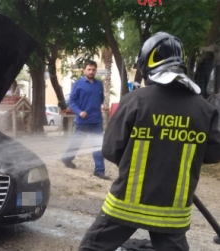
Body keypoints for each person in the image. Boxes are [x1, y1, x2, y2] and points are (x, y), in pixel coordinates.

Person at [78, 32, 220, 251]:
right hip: (172, 214)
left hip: (126, 206)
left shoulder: (135, 101)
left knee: (92, 247)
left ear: (147, 65)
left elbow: (110, 149)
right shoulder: (205, 110)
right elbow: (212, 153)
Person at [61, 60, 109, 180]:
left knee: (98, 146)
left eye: (93, 70)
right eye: (89, 69)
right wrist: (80, 112)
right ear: (84, 70)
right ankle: (67, 159)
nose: (91, 72)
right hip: (83, 122)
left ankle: (99, 170)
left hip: (97, 121)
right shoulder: (78, 84)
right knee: (76, 145)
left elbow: (101, 99)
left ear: (96, 70)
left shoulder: (99, 84)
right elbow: (71, 102)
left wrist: (100, 107)